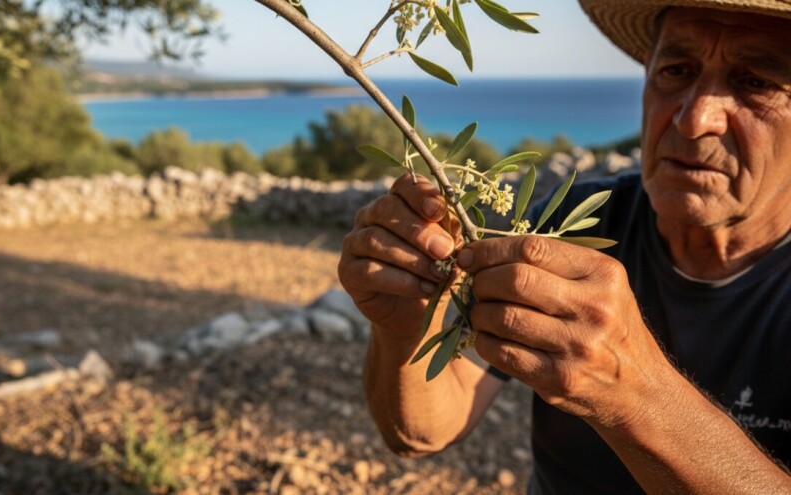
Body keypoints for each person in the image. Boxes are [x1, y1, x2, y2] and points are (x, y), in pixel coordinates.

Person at [337, 0, 791, 493]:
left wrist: (635, 394)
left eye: (756, 82)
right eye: (676, 70)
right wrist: (403, 331)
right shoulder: (575, 221)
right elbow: (421, 433)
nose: (695, 118)